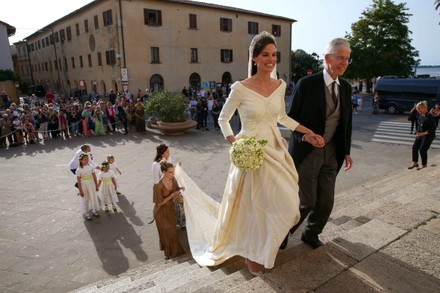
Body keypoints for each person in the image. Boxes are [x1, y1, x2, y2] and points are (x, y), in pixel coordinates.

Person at [175, 31, 321, 276]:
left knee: (289, 206)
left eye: (274, 55)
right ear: (254, 57)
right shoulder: (240, 88)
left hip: (275, 151)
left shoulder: (280, 85)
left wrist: (307, 132)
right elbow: (223, 119)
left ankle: (264, 246)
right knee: (252, 208)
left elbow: (282, 117)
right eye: (265, 54)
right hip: (250, 154)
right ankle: (250, 253)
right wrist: (235, 144)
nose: (271, 59)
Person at [283, 37, 353, 250]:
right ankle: (284, 232)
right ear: (327, 58)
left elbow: (346, 122)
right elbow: (291, 119)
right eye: (340, 57)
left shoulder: (346, 88)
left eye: (347, 59)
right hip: (307, 152)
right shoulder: (307, 84)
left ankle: (311, 233)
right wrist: (305, 136)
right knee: (306, 202)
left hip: (332, 152)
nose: (344, 63)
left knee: (326, 202)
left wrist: (347, 151)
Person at [153, 161, 186, 259]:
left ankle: (175, 251)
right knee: (167, 233)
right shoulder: (157, 185)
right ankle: (169, 253)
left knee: (172, 231)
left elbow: (176, 189)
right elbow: (159, 203)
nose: (172, 174)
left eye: (173, 171)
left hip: (170, 210)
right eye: (170, 172)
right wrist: (172, 195)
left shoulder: (173, 179)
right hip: (160, 212)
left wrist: (181, 188)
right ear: (163, 172)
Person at [151, 143, 185, 229]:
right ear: (162, 153)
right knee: (168, 206)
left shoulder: (169, 158)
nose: (169, 153)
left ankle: (181, 222)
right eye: (167, 152)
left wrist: (177, 167)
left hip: (172, 184)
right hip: (164, 188)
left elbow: (170, 170)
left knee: (179, 205)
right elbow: (156, 180)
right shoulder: (155, 165)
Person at [408, 101, 437, 171]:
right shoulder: (419, 115)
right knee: (414, 147)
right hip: (420, 134)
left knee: (422, 150)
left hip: (429, 135)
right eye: (418, 109)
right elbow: (415, 122)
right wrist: (416, 133)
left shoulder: (430, 116)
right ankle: (415, 163)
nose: (418, 110)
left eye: (420, 108)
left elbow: (433, 128)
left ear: (425, 108)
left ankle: (424, 165)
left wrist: (423, 133)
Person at [76, 154, 100, 221]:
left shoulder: (91, 167)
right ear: (81, 161)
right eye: (85, 159)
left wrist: (96, 185)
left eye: (87, 159)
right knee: (85, 198)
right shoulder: (79, 170)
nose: (87, 160)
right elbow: (78, 181)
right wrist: (80, 190)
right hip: (84, 185)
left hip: (91, 183)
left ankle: (94, 211)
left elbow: (94, 176)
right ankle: (86, 213)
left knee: (93, 196)